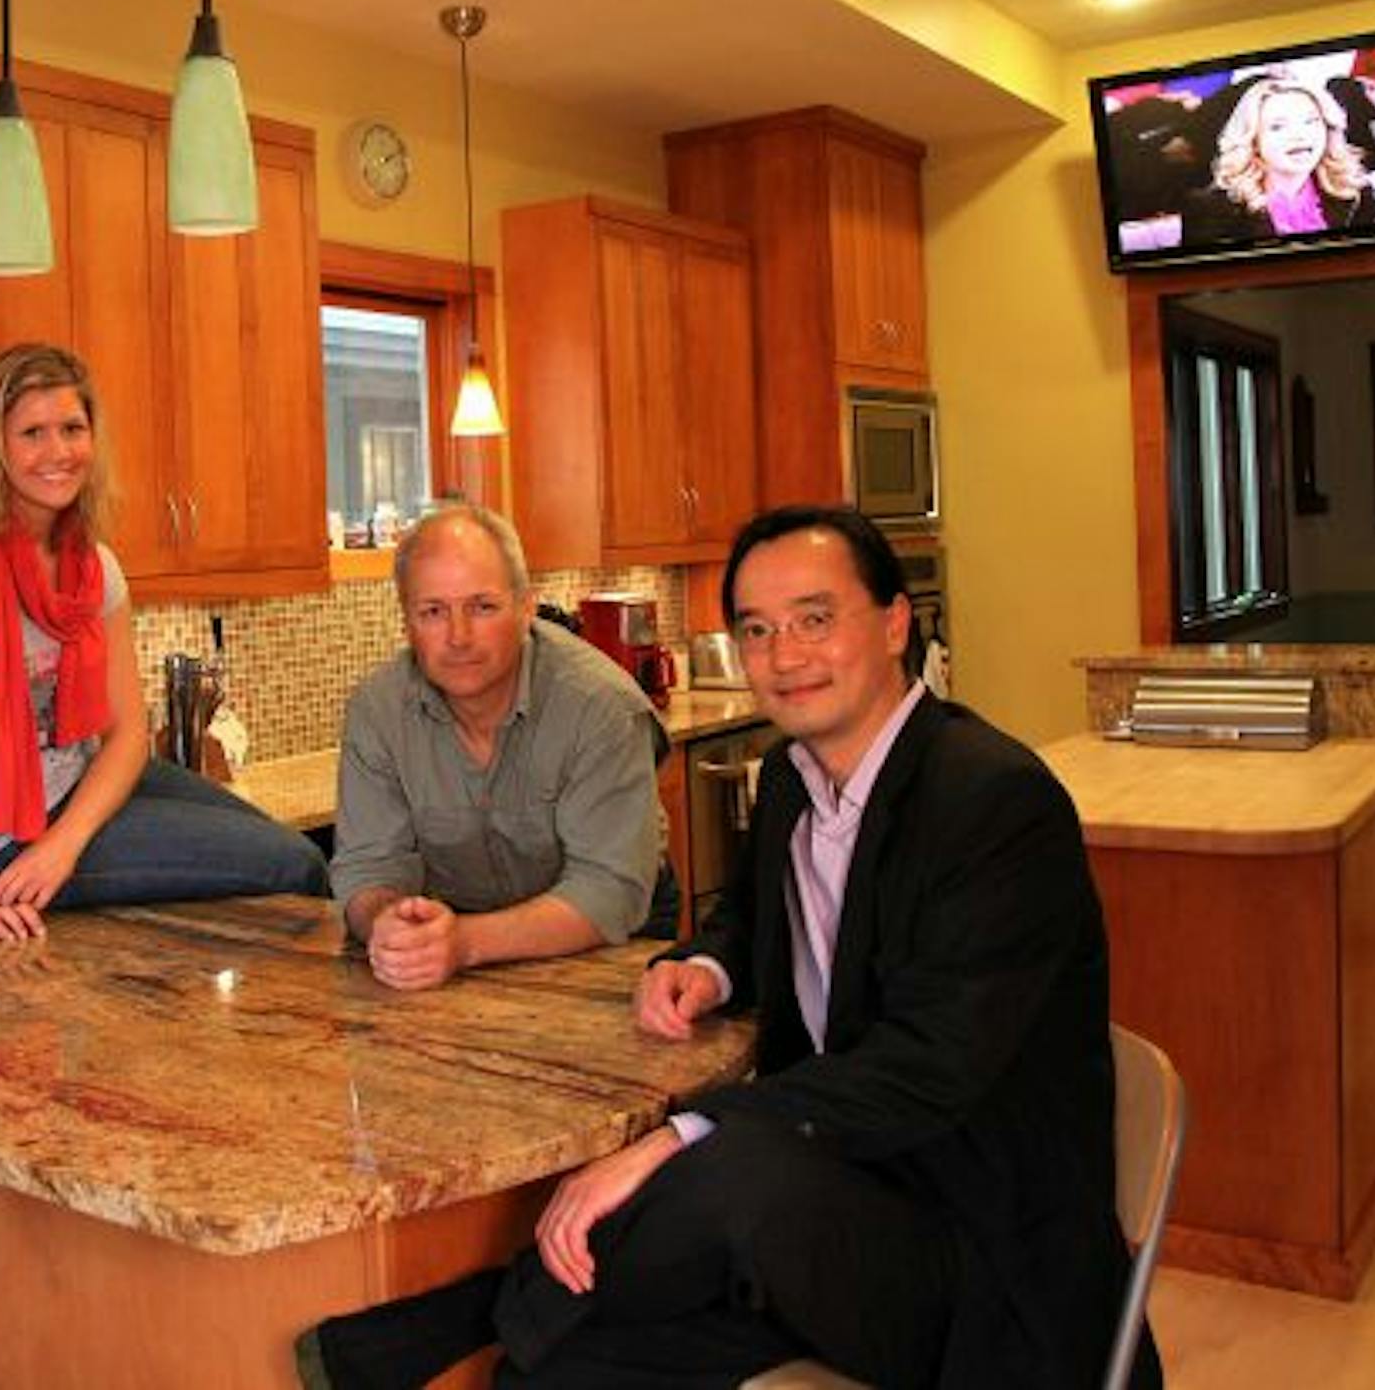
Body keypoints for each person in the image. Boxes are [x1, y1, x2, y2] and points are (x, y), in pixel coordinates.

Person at [299, 505, 1155, 1389]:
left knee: (731, 1172)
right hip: (838, 1204)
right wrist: (701, 966)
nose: (785, 655)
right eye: (758, 629)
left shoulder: (994, 802)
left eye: (815, 620)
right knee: (552, 1371)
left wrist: (682, 1135)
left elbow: (926, 1069)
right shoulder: (792, 777)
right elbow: (751, 917)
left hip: (980, 1254)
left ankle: (455, 1320)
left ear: (896, 622)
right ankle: (498, 1327)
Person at [0, 342, 327, 942]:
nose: (58, 452)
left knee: (293, 852)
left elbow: (128, 735)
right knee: (293, 865)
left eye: (72, 428)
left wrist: (64, 848)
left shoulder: (92, 565)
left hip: (70, 803)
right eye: (32, 432)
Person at [329, 504, 663, 990]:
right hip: (451, 953)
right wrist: (388, 922)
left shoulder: (600, 706)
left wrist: (463, 942)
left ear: (527, 607)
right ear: (406, 621)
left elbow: (608, 892)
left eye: (482, 606)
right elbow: (367, 868)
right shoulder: (377, 712)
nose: (458, 637)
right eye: (433, 612)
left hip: (610, 945)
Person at [1181, 75, 1375, 246]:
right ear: (1253, 140)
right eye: (1278, 127)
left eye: (1311, 122)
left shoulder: (1356, 193)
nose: (1299, 136)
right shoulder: (1211, 208)